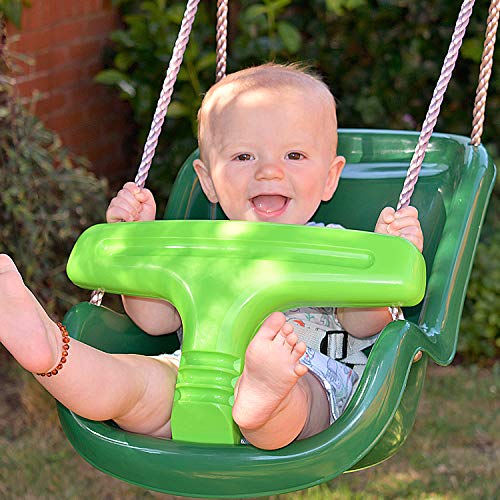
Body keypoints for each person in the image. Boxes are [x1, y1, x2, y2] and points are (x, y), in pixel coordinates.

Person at [0, 63, 423, 450]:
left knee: (297, 401)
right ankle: (50, 351)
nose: (269, 171)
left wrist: (391, 257)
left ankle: (262, 398)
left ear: (330, 177)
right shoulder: (199, 245)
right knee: (132, 384)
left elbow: (363, 325)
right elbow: (156, 319)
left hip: (307, 374)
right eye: (243, 156)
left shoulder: (339, 248)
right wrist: (135, 242)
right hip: (194, 374)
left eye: (294, 155)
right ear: (209, 181)